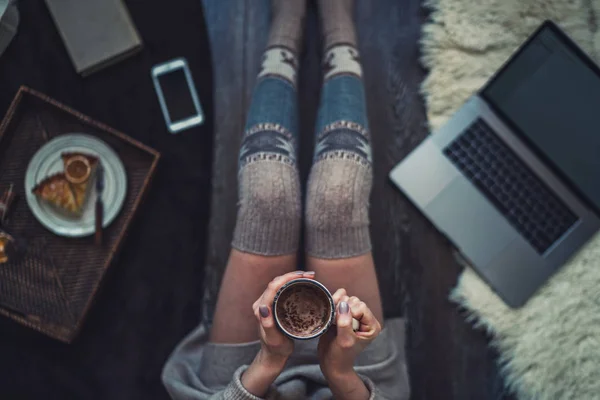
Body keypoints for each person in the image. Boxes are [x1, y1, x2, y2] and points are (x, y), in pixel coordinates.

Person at [162, 0, 410, 398]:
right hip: (354, 375)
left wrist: (268, 360)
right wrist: (341, 373)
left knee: (267, 195)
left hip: (239, 382)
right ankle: (339, 29)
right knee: (338, 195)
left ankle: (284, 32)